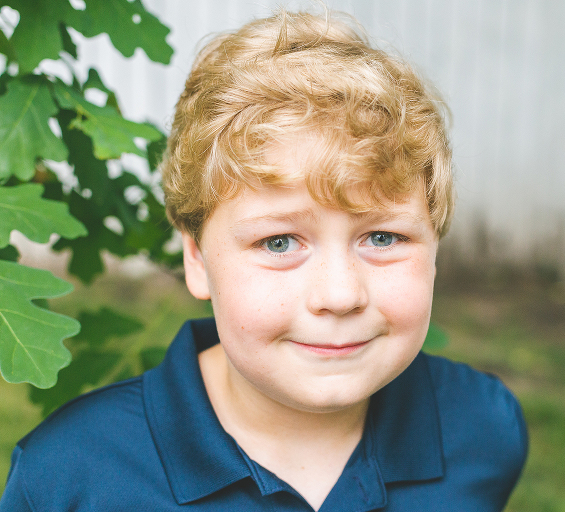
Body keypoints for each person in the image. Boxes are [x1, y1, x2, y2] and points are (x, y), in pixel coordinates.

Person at [0, 8, 527, 511]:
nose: (340, 295)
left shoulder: (482, 428)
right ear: (198, 259)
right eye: (279, 243)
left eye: (383, 238)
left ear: (436, 245)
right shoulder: (67, 480)